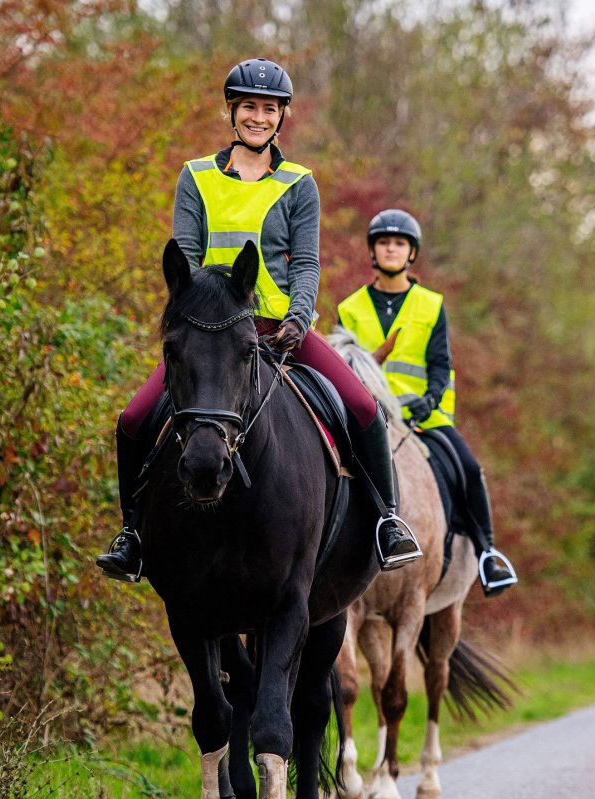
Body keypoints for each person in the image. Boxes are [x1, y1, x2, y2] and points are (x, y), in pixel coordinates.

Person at [96, 59, 421, 582]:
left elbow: (307, 262)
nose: (258, 117)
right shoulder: (196, 176)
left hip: (279, 331)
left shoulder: (299, 183)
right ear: (233, 111)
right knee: (134, 420)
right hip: (212, 336)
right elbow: (183, 255)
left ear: (281, 117)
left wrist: (298, 315)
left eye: (269, 109)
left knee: (362, 406)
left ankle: (387, 522)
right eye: (249, 106)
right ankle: (132, 534)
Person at [336, 209, 517, 596]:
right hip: (370, 417)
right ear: (373, 251)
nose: (391, 249)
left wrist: (429, 400)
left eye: (399, 243)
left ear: (411, 253)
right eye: (383, 242)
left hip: (423, 416)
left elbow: (440, 364)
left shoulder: (431, 304)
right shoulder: (349, 308)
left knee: (468, 468)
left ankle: (488, 555)